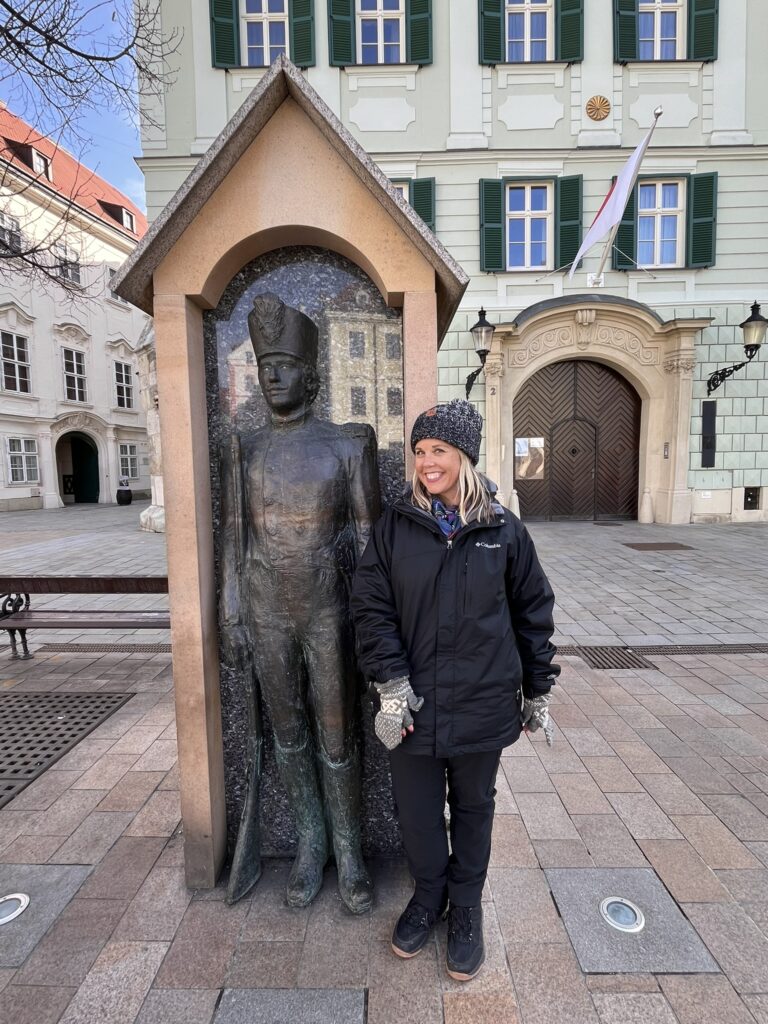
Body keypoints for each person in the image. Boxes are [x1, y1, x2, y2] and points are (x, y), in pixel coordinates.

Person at [351, 398, 559, 980]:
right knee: (417, 813)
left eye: (438, 450)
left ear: (463, 455)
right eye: (419, 452)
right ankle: (428, 898)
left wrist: (538, 688)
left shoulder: (502, 529)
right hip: (412, 706)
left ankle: (465, 909)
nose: (426, 463)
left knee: (474, 808)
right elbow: (371, 607)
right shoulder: (395, 526)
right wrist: (391, 683)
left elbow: (532, 612)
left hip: (483, 702)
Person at [219, 292, 381, 914]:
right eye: (265, 368)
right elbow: (233, 538)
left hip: (328, 612)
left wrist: (374, 627)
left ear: (310, 375)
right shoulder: (246, 449)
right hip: (264, 611)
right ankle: (312, 841)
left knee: (337, 734)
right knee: (287, 733)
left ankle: (351, 846)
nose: (272, 377)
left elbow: (369, 545)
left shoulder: (348, 446)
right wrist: (231, 613)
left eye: (283, 366)